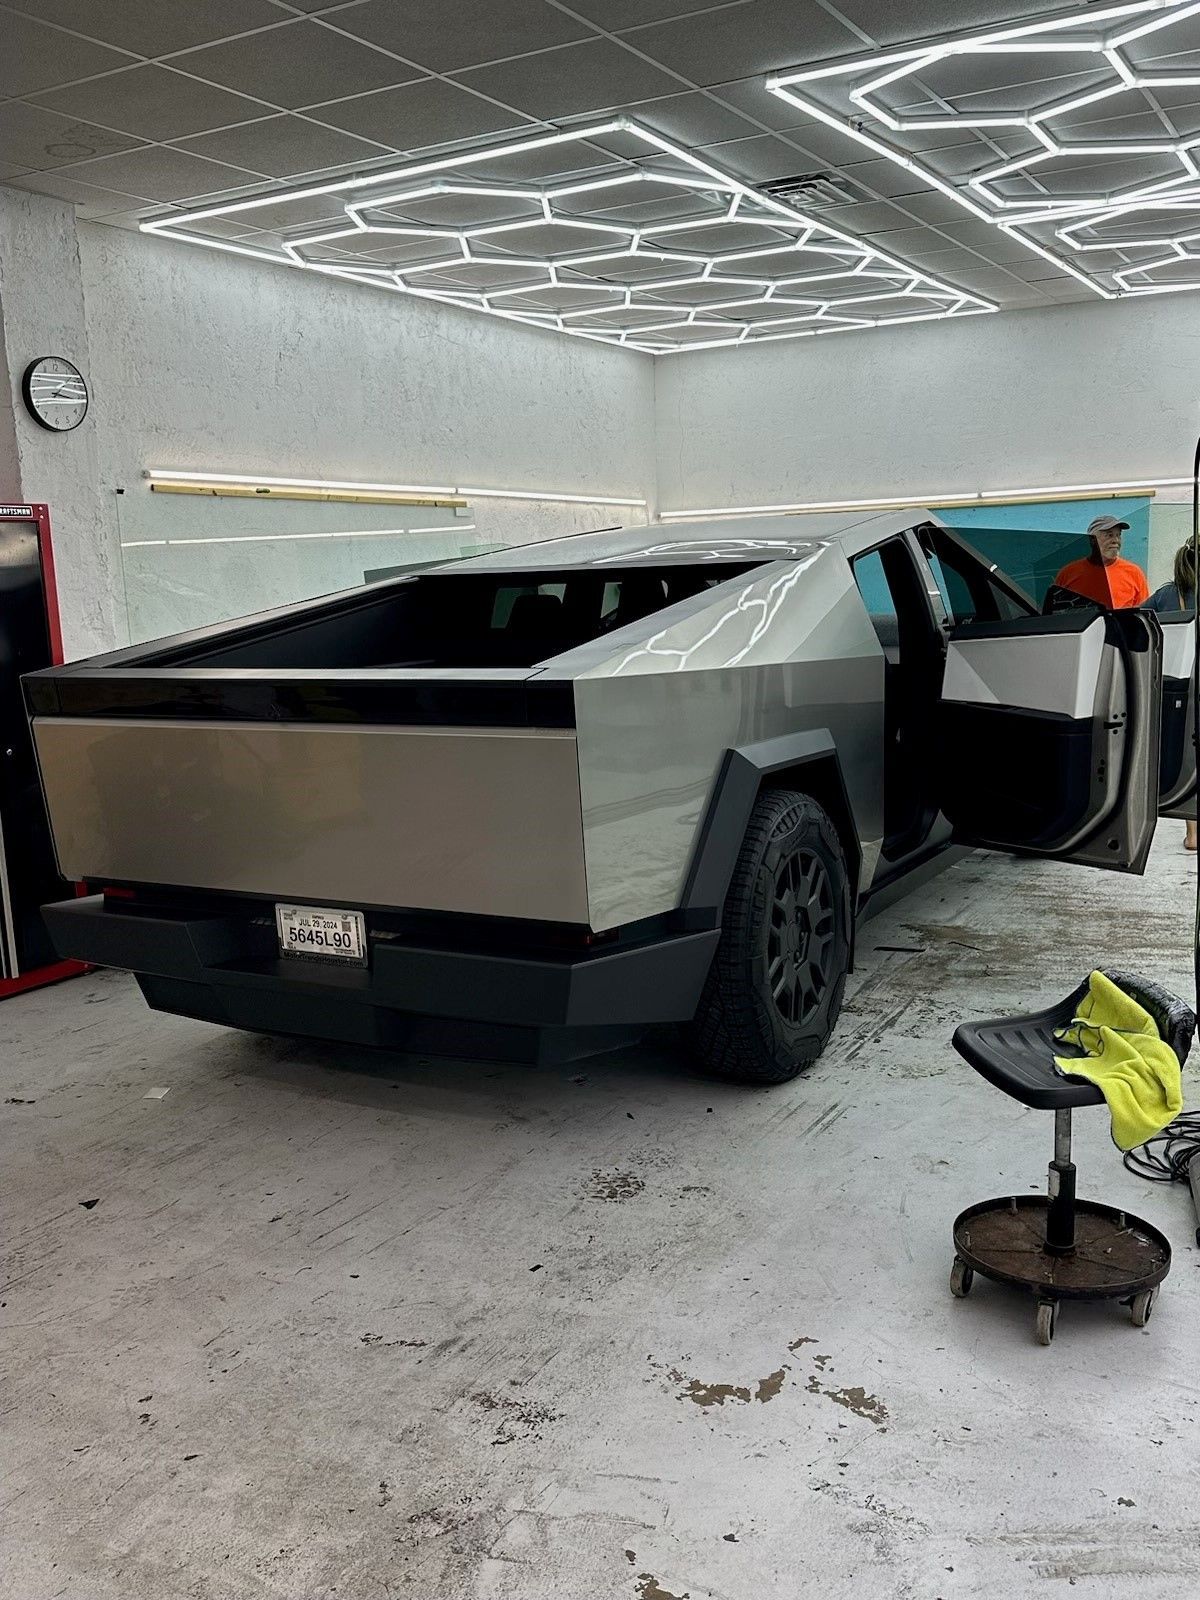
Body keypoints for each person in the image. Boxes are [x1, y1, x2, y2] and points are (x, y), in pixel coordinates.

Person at [1147, 541, 1198, 852]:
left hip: (1178, 685)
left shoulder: (1167, 595)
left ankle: (1193, 833)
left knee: (1187, 755)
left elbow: (1137, 622)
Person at [1052, 515, 1150, 609]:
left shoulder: (1134, 572)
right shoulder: (1068, 573)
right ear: (1092, 540)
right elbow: (1055, 612)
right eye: (1109, 535)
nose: (1115, 540)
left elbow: (1143, 612)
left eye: (1118, 535)